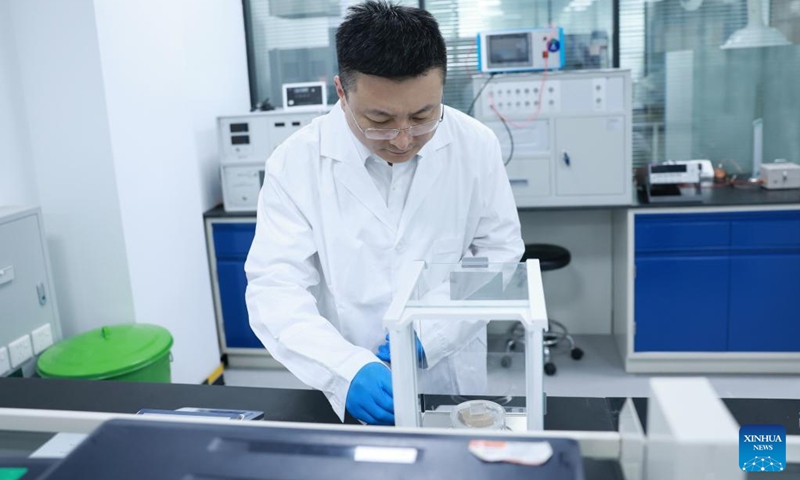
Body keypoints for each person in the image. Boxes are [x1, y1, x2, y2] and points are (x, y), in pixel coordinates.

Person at [244, 0, 523, 426]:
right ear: (341, 92)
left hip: (449, 374)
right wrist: (345, 370)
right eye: (379, 119)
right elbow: (275, 287)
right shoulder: (295, 162)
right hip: (345, 379)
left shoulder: (475, 145)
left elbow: (500, 254)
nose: (403, 138)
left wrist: (432, 333)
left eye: (423, 115)